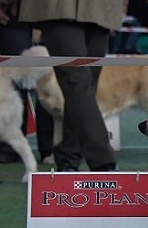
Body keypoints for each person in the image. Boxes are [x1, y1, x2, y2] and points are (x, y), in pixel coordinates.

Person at [18, 0, 122, 172]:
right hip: (58, 8)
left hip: (102, 9)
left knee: (85, 86)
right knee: (77, 81)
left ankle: (68, 157)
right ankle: (103, 160)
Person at [0, 0, 53, 163]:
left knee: (50, 81)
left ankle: (50, 149)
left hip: (52, 14)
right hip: (15, 13)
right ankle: (11, 145)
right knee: (13, 77)